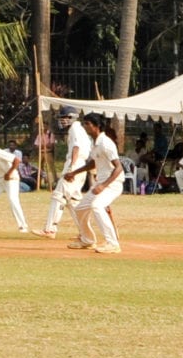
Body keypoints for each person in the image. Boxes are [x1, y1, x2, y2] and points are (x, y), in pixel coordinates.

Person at [76, 114, 124, 255]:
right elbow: (93, 163)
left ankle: (112, 244)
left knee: (97, 206)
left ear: (96, 126)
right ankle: (87, 240)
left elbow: (118, 167)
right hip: (100, 184)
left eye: (87, 124)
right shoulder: (95, 142)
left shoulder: (106, 143)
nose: (85, 127)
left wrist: (103, 185)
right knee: (80, 209)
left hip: (112, 184)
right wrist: (74, 173)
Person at [43, 106, 92, 242]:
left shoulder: (75, 128)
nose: (62, 120)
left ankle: (50, 229)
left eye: (64, 118)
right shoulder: (79, 129)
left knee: (59, 195)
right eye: (61, 118)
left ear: (72, 117)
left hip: (75, 164)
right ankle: (84, 233)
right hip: (79, 165)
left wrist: (71, 168)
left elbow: (76, 147)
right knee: (73, 201)